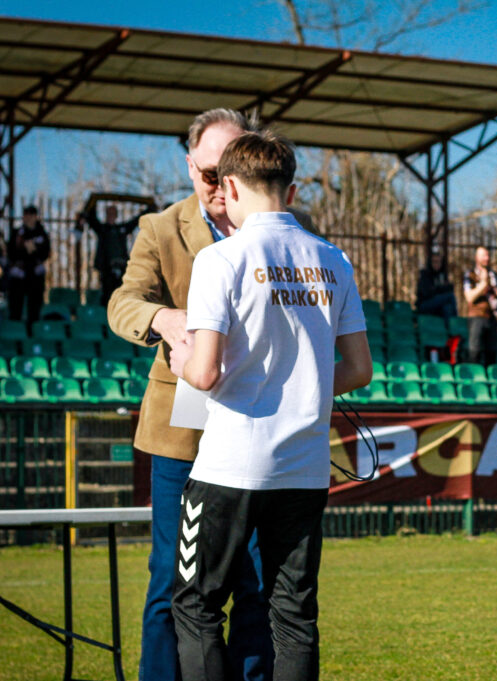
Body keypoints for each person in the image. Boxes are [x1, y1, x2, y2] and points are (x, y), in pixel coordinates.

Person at [108, 108, 315, 681]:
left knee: (258, 585)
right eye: (208, 174)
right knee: (172, 583)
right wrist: (166, 319)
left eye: (231, 172)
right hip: (183, 428)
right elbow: (123, 302)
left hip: (261, 432)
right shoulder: (161, 228)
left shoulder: (285, 227)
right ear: (189, 167)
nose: (221, 186)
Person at [168, 129, 371, 681]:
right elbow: (359, 369)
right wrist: (302, 387)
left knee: (196, 605)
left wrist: (179, 360)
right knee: (294, 615)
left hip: (229, 466)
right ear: (292, 191)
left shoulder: (220, 258)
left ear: (230, 187)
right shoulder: (333, 259)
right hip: (303, 467)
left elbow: (204, 373)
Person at [75, 200, 150, 306]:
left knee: (122, 294)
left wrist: (149, 209)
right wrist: (92, 203)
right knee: (107, 294)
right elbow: (92, 218)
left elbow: (135, 221)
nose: (111, 215)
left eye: (113, 213)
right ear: (106, 214)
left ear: (116, 215)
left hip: (122, 267)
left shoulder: (122, 229)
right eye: (109, 213)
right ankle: (106, 312)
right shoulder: (102, 229)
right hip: (106, 269)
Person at [462, 246, 497, 366]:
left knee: (491, 354)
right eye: (483, 255)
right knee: (475, 352)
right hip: (476, 317)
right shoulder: (470, 274)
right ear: (476, 257)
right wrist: (483, 284)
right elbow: (469, 297)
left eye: (488, 255)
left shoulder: (493, 275)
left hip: (492, 318)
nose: (487, 258)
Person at [6, 204, 51, 325]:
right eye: (26, 215)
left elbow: (45, 253)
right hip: (19, 275)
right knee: (15, 308)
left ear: (36, 217)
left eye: (31, 215)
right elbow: (11, 253)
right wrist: (26, 249)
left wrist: (31, 250)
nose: (28, 218)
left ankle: (32, 331)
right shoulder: (17, 233)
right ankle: (16, 331)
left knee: (34, 308)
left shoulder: (42, 233)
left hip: (35, 276)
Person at [416, 244, 458, 320]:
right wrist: (440, 289)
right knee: (450, 296)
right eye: (434, 261)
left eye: (439, 262)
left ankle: (450, 327)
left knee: (447, 307)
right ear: (430, 262)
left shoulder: (442, 275)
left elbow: (448, 288)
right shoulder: (425, 274)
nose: (437, 264)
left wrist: (439, 289)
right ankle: (455, 321)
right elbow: (427, 292)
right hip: (424, 305)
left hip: (437, 306)